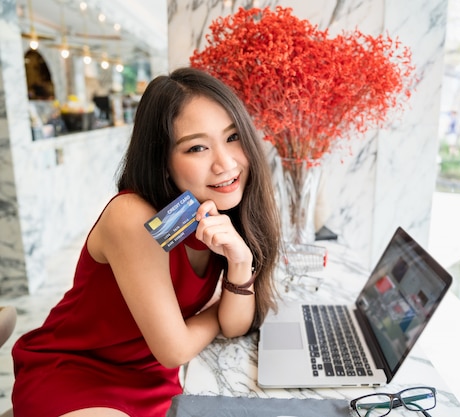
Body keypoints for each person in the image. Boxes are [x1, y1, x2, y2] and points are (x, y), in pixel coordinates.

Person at [11, 67, 282, 416]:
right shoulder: (133, 216)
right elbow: (175, 348)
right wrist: (216, 311)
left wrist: (241, 262)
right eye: (197, 147)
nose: (225, 163)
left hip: (150, 375)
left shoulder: (218, 212)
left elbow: (235, 326)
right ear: (163, 161)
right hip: (74, 372)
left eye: (232, 137)